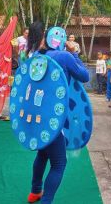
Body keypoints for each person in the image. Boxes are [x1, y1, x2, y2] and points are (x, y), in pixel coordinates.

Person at [27, 23, 89, 204]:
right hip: (55, 117)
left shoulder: (36, 56)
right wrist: (74, 53)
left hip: (37, 115)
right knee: (59, 163)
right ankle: (46, 200)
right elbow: (84, 76)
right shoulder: (64, 56)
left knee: (43, 154)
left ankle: (35, 191)